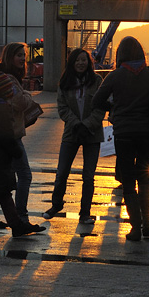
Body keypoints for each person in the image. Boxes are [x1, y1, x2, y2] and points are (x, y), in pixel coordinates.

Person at [92, 36, 149, 241]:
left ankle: (135, 228)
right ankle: (148, 223)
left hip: (123, 134)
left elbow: (97, 101)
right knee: (145, 177)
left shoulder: (115, 76)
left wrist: (114, 108)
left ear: (120, 54)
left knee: (129, 181)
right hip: (147, 133)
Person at [0, 72, 47, 240]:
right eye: (10, 89)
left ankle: (16, 224)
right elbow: (6, 135)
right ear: (5, 91)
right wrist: (15, 151)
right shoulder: (2, 107)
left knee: (3, 192)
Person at [43, 48, 105, 224]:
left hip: (92, 134)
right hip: (71, 132)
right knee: (62, 172)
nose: (80, 63)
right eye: (77, 60)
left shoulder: (97, 81)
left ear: (89, 62)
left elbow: (101, 107)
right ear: (72, 63)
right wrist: (76, 124)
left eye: (84, 60)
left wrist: (87, 125)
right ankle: (56, 204)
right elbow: (62, 108)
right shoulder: (64, 82)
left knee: (88, 176)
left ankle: (85, 213)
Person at [0, 42, 37, 226]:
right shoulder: (8, 79)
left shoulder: (7, 77)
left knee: (2, 177)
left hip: (6, 132)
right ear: (9, 57)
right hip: (9, 134)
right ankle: (21, 218)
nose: (23, 59)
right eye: (19, 55)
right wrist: (27, 96)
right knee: (24, 175)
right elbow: (20, 102)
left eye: (24, 55)